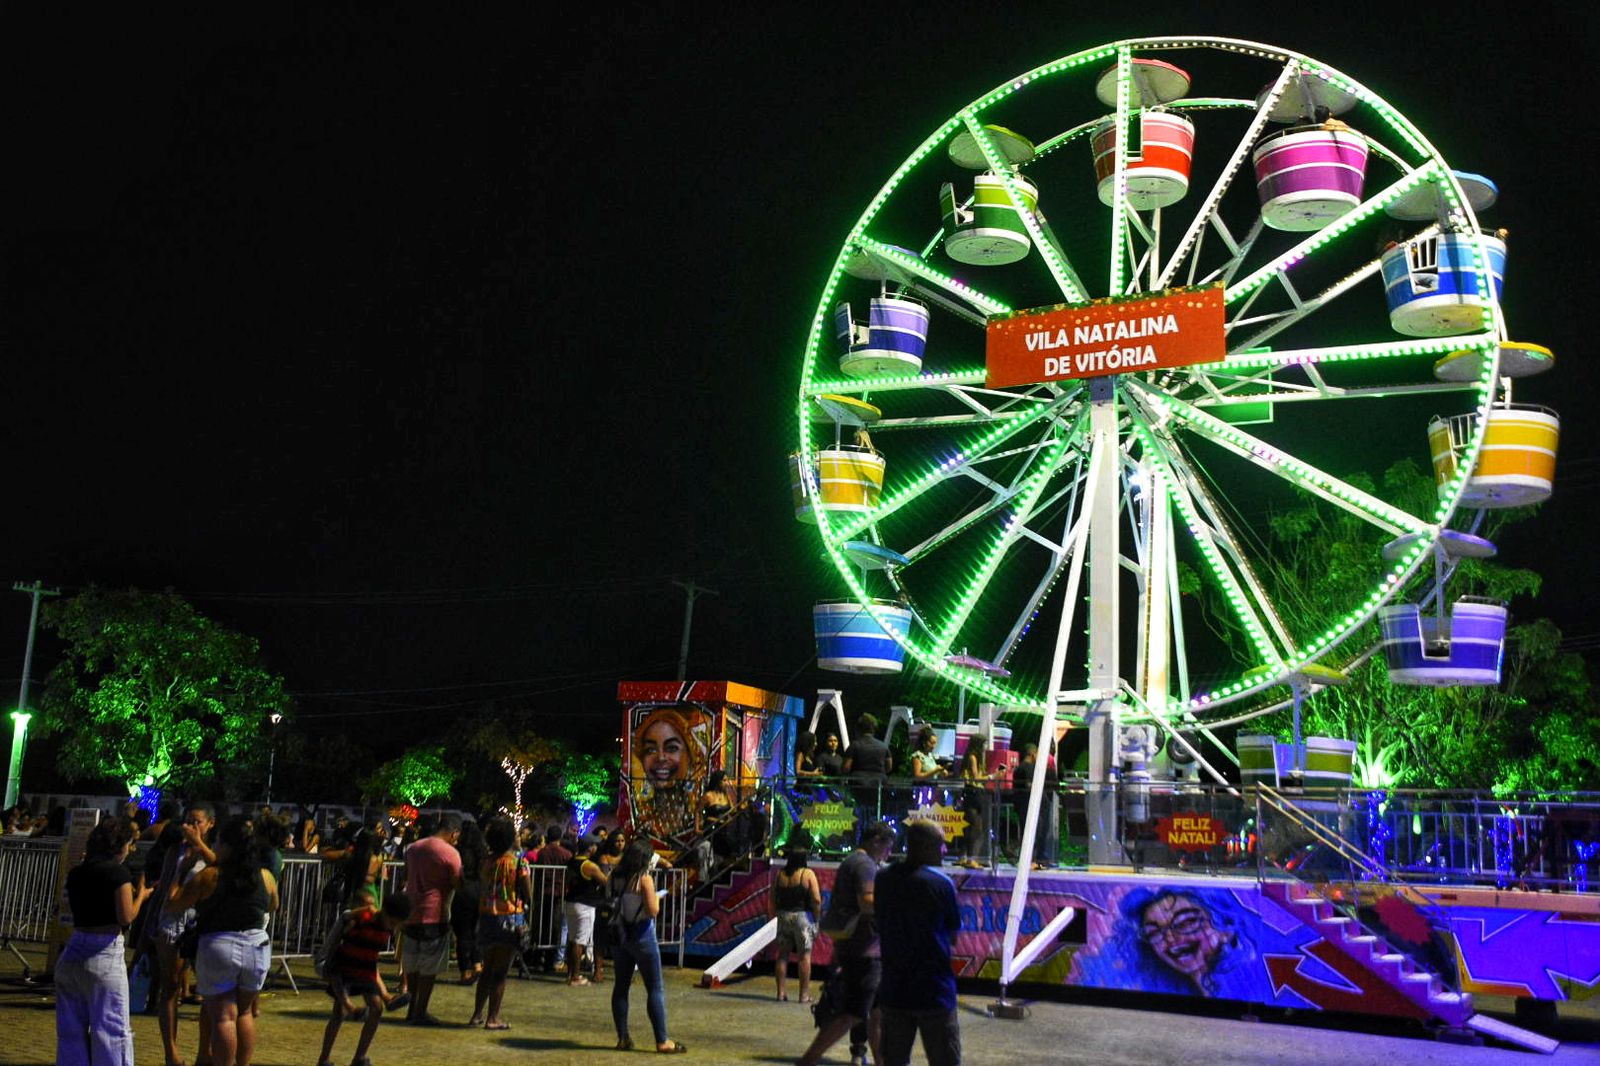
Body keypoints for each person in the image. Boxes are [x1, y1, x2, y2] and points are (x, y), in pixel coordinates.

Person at [166, 813, 279, 1066]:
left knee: (224, 1017)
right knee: (245, 1012)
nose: (215, 847)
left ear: (227, 846)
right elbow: (273, 905)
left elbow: (174, 904)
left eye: (218, 843)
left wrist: (179, 873)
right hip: (256, 946)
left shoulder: (210, 876)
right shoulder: (265, 876)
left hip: (220, 945)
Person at [56, 815, 152, 1066]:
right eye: (129, 844)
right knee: (111, 1029)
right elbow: (125, 916)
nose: (129, 850)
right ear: (118, 845)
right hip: (104, 951)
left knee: (70, 1031)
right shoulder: (118, 873)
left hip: (73, 950)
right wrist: (141, 895)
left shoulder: (77, 872)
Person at [798, 819, 894, 1066]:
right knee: (852, 1014)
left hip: (859, 948)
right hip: (865, 951)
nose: (889, 853)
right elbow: (866, 901)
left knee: (877, 1015)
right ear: (876, 841)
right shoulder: (865, 865)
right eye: (887, 847)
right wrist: (897, 908)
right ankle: (807, 1060)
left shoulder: (851, 860)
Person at [875, 820, 962, 1066]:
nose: (944, 851)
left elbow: (880, 922)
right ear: (924, 847)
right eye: (940, 844)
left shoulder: (884, 879)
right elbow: (953, 936)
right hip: (934, 992)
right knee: (944, 1058)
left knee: (894, 1059)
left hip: (895, 990)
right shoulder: (941, 884)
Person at [145, 801, 217, 1066]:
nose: (191, 826)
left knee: (210, 987)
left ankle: (204, 1052)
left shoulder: (213, 852)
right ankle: (171, 1052)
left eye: (197, 821)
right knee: (171, 984)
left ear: (210, 824)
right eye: (188, 820)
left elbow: (219, 867)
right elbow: (165, 886)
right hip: (172, 918)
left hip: (201, 921)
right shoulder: (175, 849)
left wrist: (201, 847)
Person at [316, 892, 414, 1066]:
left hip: (364, 968)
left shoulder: (385, 930)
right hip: (344, 966)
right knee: (339, 1014)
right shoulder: (363, 919)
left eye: (396, 925)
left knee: (376, 1008)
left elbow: (372, 962)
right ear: (384, 913)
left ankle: (360, 1057)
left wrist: (384, 993)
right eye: (392, 923)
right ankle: (324, 1059)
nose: (393, 928)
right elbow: (340, 942)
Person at [608, 839, 687, 1053]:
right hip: (642, 934)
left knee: (621, 987)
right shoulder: (643, 880)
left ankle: (623, 1037)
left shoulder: (615, 876)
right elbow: (652, 911)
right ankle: (662, 1040)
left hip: (620, 935)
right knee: (654, 987)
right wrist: (659, 897)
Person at [400, 813, 462, 1025]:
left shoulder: (413, 848)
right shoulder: (451, 853)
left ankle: (411, 1008)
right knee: (429, 967)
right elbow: (456, 882)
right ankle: (421, 1010)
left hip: (411, 912)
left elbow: (405, 875)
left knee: (413, 965)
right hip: (434, 913)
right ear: (454, 833)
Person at [471, 816, 531, 1030]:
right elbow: (527, 891)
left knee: (487, 969)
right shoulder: (518, 862)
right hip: (510, 917)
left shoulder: (485, 861)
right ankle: (492, 1017)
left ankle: (477, 1014)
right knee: (500, 972)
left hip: (487, 915)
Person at [769, 844, 821, 1003]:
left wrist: (774, 916)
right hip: (802, 919)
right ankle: (803, 995)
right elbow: (817, 899)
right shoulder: (808, 874)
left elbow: (772, 898)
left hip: (783, 917)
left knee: (782, 956)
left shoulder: (780, 875)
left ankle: (780, 993)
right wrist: (817, 919)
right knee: (804, 956)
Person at [564, 834, 608, 986]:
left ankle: (570, 973)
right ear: (590, 848)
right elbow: (605, 881)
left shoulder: (572, 861)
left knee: (572, 938)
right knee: (580, 941)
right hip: (585, 904)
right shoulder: (590, 866)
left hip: (571, 902)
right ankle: (576, 976)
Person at [533, 824, 572, 974]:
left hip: (544, 891)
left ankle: (538, 959)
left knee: (542, 926)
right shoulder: (565, 854)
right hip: (558, 893)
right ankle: (550, 961)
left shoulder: (542, 853)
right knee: (555, 928)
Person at [451, 819, 486, 985]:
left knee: (462, 932)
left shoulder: (457, 850)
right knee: (475, 930)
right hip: (479, 890)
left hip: (462, 890)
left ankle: (465, 970)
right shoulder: (482, 851)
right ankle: (477, 964)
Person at [959, 736, 996, 869]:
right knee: (975, 826)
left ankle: (965, 857)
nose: (985, 748)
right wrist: (993, 776)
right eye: (984, 745)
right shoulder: (973, 757)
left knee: (972, 827)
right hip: (972, 793)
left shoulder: (977, 758)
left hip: (975, 793)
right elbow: (977, 778)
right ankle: (970, 858)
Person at [842, 715, 891, 780]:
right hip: (879, 784)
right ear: (873, 729)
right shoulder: (884, 746)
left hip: (859, 784)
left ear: (859, 728)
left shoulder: (855, 745)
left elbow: (846, 767)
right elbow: (889, 767)